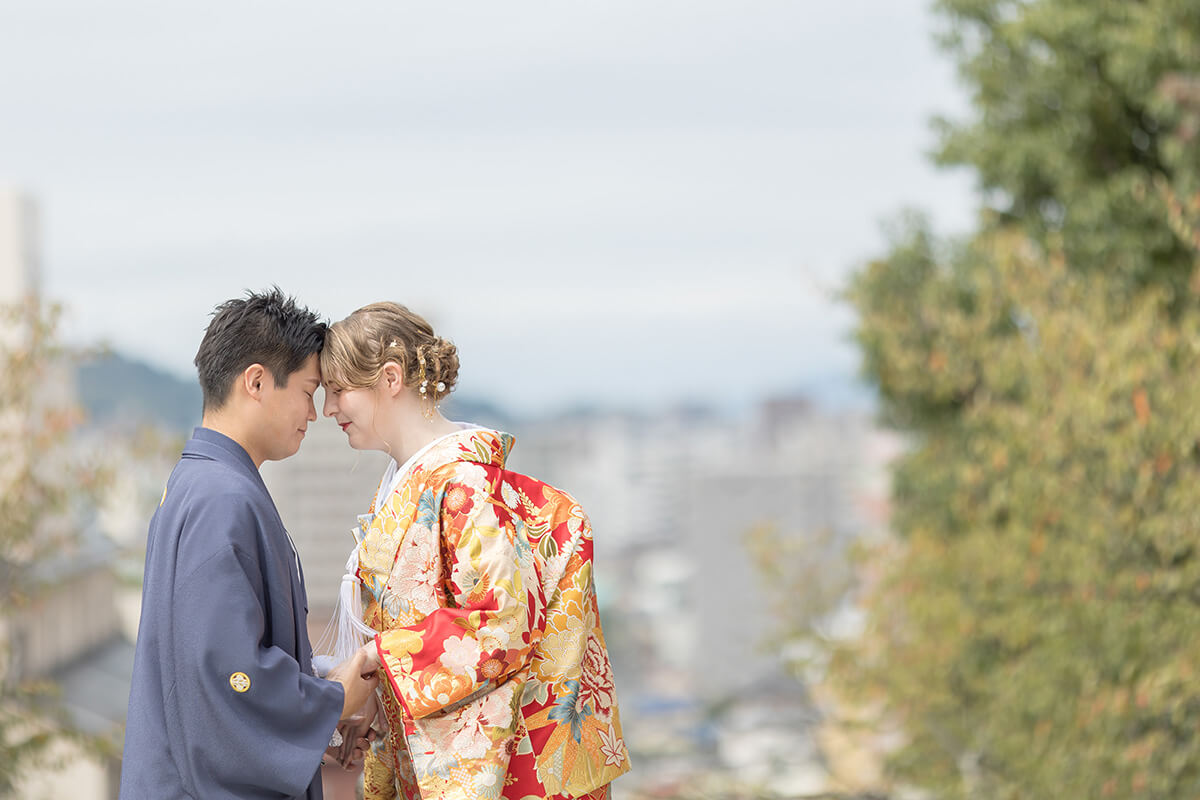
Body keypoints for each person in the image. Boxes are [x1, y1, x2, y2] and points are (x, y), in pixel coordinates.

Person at [317, 301, 631, 800]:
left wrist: (378, 657)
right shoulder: (415, 479)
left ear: (391, 378)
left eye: (338, 390)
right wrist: (376, 698)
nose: (329, 408)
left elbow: (500, 621)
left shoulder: (464, 481)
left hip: (502, 761)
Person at [120, 289, 380, 800]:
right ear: (256, 382)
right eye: (308, 391)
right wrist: (333, 699)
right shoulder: (222, 497)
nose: (315, 412)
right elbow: (228, 671)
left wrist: (317, 714)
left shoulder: (202, 482)